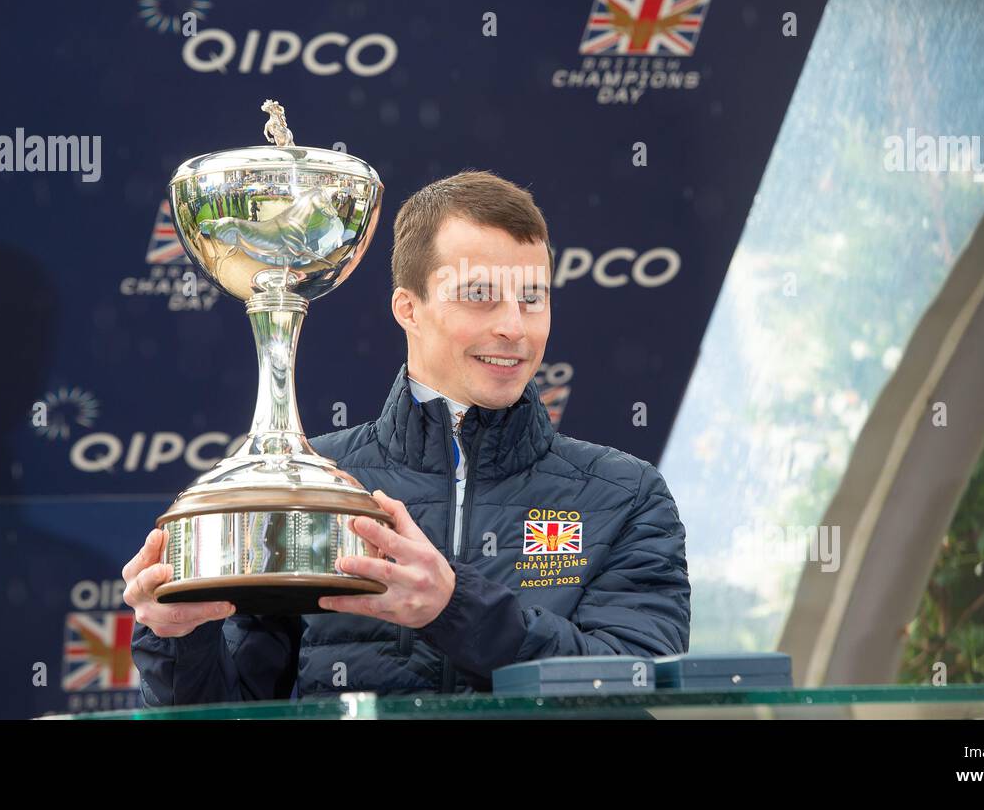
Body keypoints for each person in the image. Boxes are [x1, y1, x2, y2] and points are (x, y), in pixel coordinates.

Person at [126, 170, 690, 703]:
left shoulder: (627, 495)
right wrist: (178, 633)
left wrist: (452, 606)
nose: (514, 327)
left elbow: (636, 687)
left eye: (532, 298)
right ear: (408, 308)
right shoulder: (311, 488)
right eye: (479, 294)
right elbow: (228, 708)